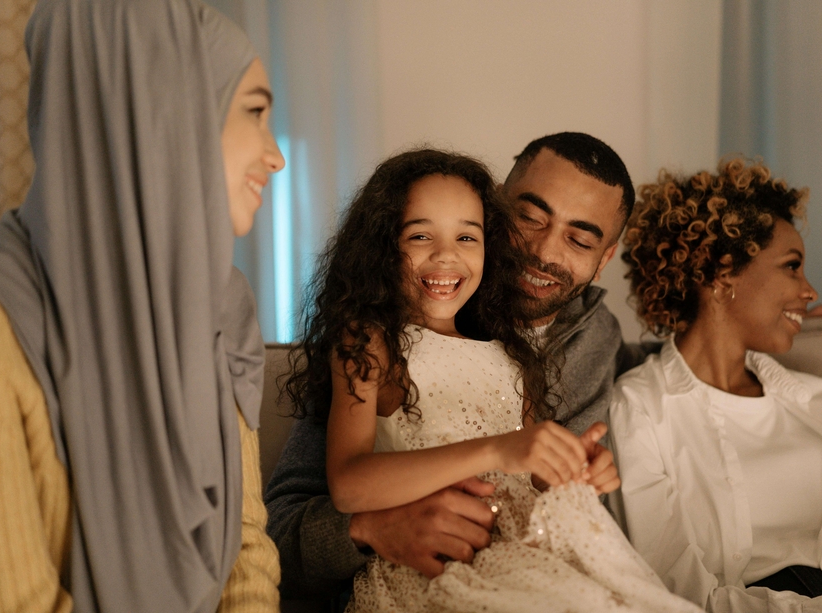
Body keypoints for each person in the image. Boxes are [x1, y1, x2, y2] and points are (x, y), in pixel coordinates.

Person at [285, 147, 700, 612]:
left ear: (603, 259)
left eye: (466, 238)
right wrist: (495, 450)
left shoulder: (517, 353)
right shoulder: (368, 342)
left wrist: (570, 468)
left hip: (522, 554)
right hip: (437, 570)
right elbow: (344, 486)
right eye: (531, 218)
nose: (446, 254)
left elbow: (528, 473)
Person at [0, 1, 284, 611]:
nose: (275, 155)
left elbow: (246, 551)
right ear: (166, 113)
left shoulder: (223, 304)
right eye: (254, 112)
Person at [610, 158, 822, 613]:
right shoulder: (640, 408)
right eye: (792, 267)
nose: (810, 291)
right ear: (722, 277)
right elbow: (674, 593)